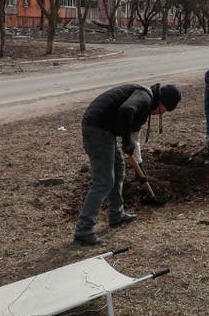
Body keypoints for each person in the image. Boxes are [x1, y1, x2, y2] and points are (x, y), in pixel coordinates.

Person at [74, 82, 182, 247]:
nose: (159, 113)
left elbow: (134, 141)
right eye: (163, 111)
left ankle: (117, 215)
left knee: (119, 169)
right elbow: (126, 110)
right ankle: (84, 230)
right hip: (97, 129)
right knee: (104, 181)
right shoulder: (144, 97)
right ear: (161, 103)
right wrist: (125, 140)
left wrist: (141, 171)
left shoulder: (144, 106)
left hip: (105, 131)